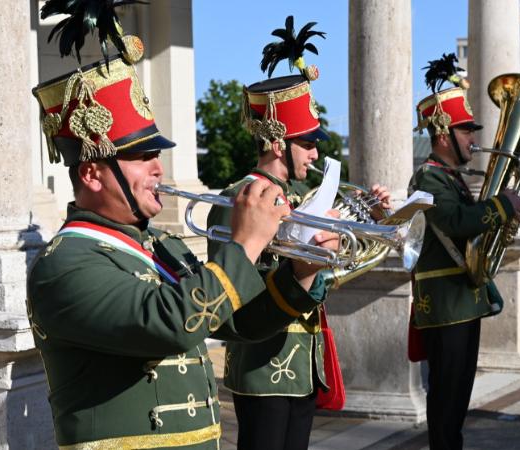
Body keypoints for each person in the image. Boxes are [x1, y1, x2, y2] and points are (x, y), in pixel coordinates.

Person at [27, 5, 331, 448]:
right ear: (92, 173)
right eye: (140, 156)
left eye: (156, 154)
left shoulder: (164, 246)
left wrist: (301, 273)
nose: (158, 169)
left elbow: (237, 322)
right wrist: (244, 244)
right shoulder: (66, 263)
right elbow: (170, 324)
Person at [207, 16, 392, 450]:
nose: (315, 153)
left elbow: (330, 273)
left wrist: (374, 221)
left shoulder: (302, 198)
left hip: (305, 362)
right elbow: (231, 282)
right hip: (262, 363)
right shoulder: (236, 197)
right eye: (307, 142)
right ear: (277, 144)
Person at [409, 53, 520, 450]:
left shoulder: (449, 178)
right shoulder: (428, 178)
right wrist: (502, 206)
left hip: (461, 300)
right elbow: (457, 223)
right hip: (445, 304)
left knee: (458, 396)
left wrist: (502, 218)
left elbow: (469, 227)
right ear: (443, 134)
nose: (474, 140)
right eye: (466, 132)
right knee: (446, 397)